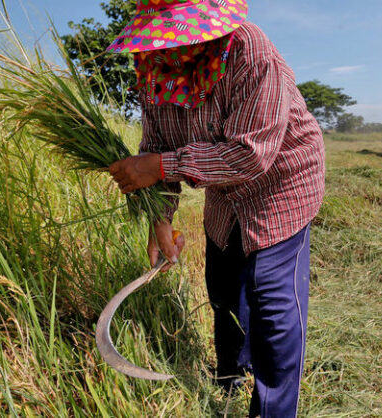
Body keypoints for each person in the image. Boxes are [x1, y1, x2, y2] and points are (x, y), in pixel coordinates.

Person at [104, 1, 325, 416]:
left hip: (282, 184)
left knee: (272, 310)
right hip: (224, 191)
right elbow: (156, 145)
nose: (170, 47)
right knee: (224, 287)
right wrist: (161, 220)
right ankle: (229, 378)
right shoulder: (154, 65)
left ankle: (274, 408)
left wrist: (162, 166)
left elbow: (250, 155)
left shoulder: (249, 51)